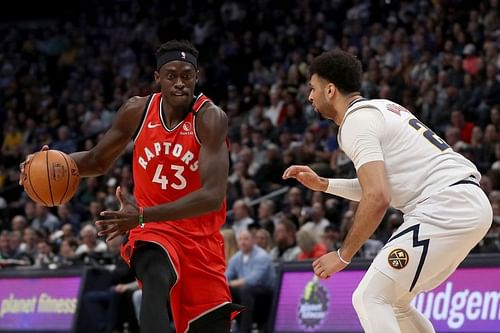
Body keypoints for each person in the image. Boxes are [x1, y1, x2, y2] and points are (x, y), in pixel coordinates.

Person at [20, 40, 240, 333]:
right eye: (171, 75)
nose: (179, 83)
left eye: (187, 76)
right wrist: (49, 165)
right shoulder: (137, 110)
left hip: (200, 238)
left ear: (196, 77)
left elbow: (212, 198)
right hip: (154, 230)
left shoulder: (210, 118)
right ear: (157, 78)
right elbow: (98, 160)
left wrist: (140, 217)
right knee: (154, 275)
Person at [282, 50, 492, 333]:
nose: (310, 97)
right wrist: (325, 184)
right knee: (395, 304)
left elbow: (377, 197)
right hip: (465, 202)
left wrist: (343, 255)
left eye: (312, 88)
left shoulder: (355, 122)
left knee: (369, 298)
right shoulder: (383, 107)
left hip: (444, 205)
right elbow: (381, 186)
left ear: (330, 90)